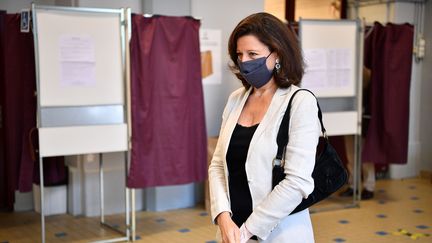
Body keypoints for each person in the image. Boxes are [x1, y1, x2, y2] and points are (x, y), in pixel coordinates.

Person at [208, 13, 321, 243]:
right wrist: (222, 216)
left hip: (279, 233)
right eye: (239, 55)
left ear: (276, 54)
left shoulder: (300, 102)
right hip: (232, 232)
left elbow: (297, 181)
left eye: (253, 54)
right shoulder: (235, 100)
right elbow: (218, 164)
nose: (245, 62)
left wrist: (247, 231)